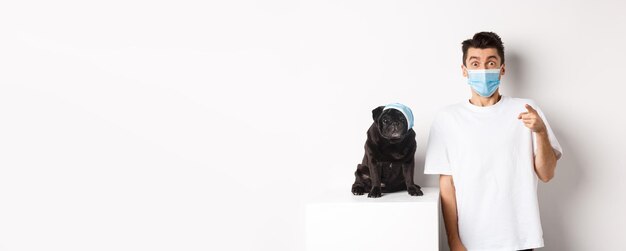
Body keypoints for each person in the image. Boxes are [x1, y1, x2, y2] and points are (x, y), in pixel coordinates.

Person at [424, 32, 563, 251]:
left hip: (520, 238)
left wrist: (541, 132)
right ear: (464, 70)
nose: (483, 70)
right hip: (472, 242)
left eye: (491, 63)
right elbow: (447, 185)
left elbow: (547, 174)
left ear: (502, 69)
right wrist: (453, 240)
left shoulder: (525, 110)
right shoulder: (447, 118)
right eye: (475, 63)